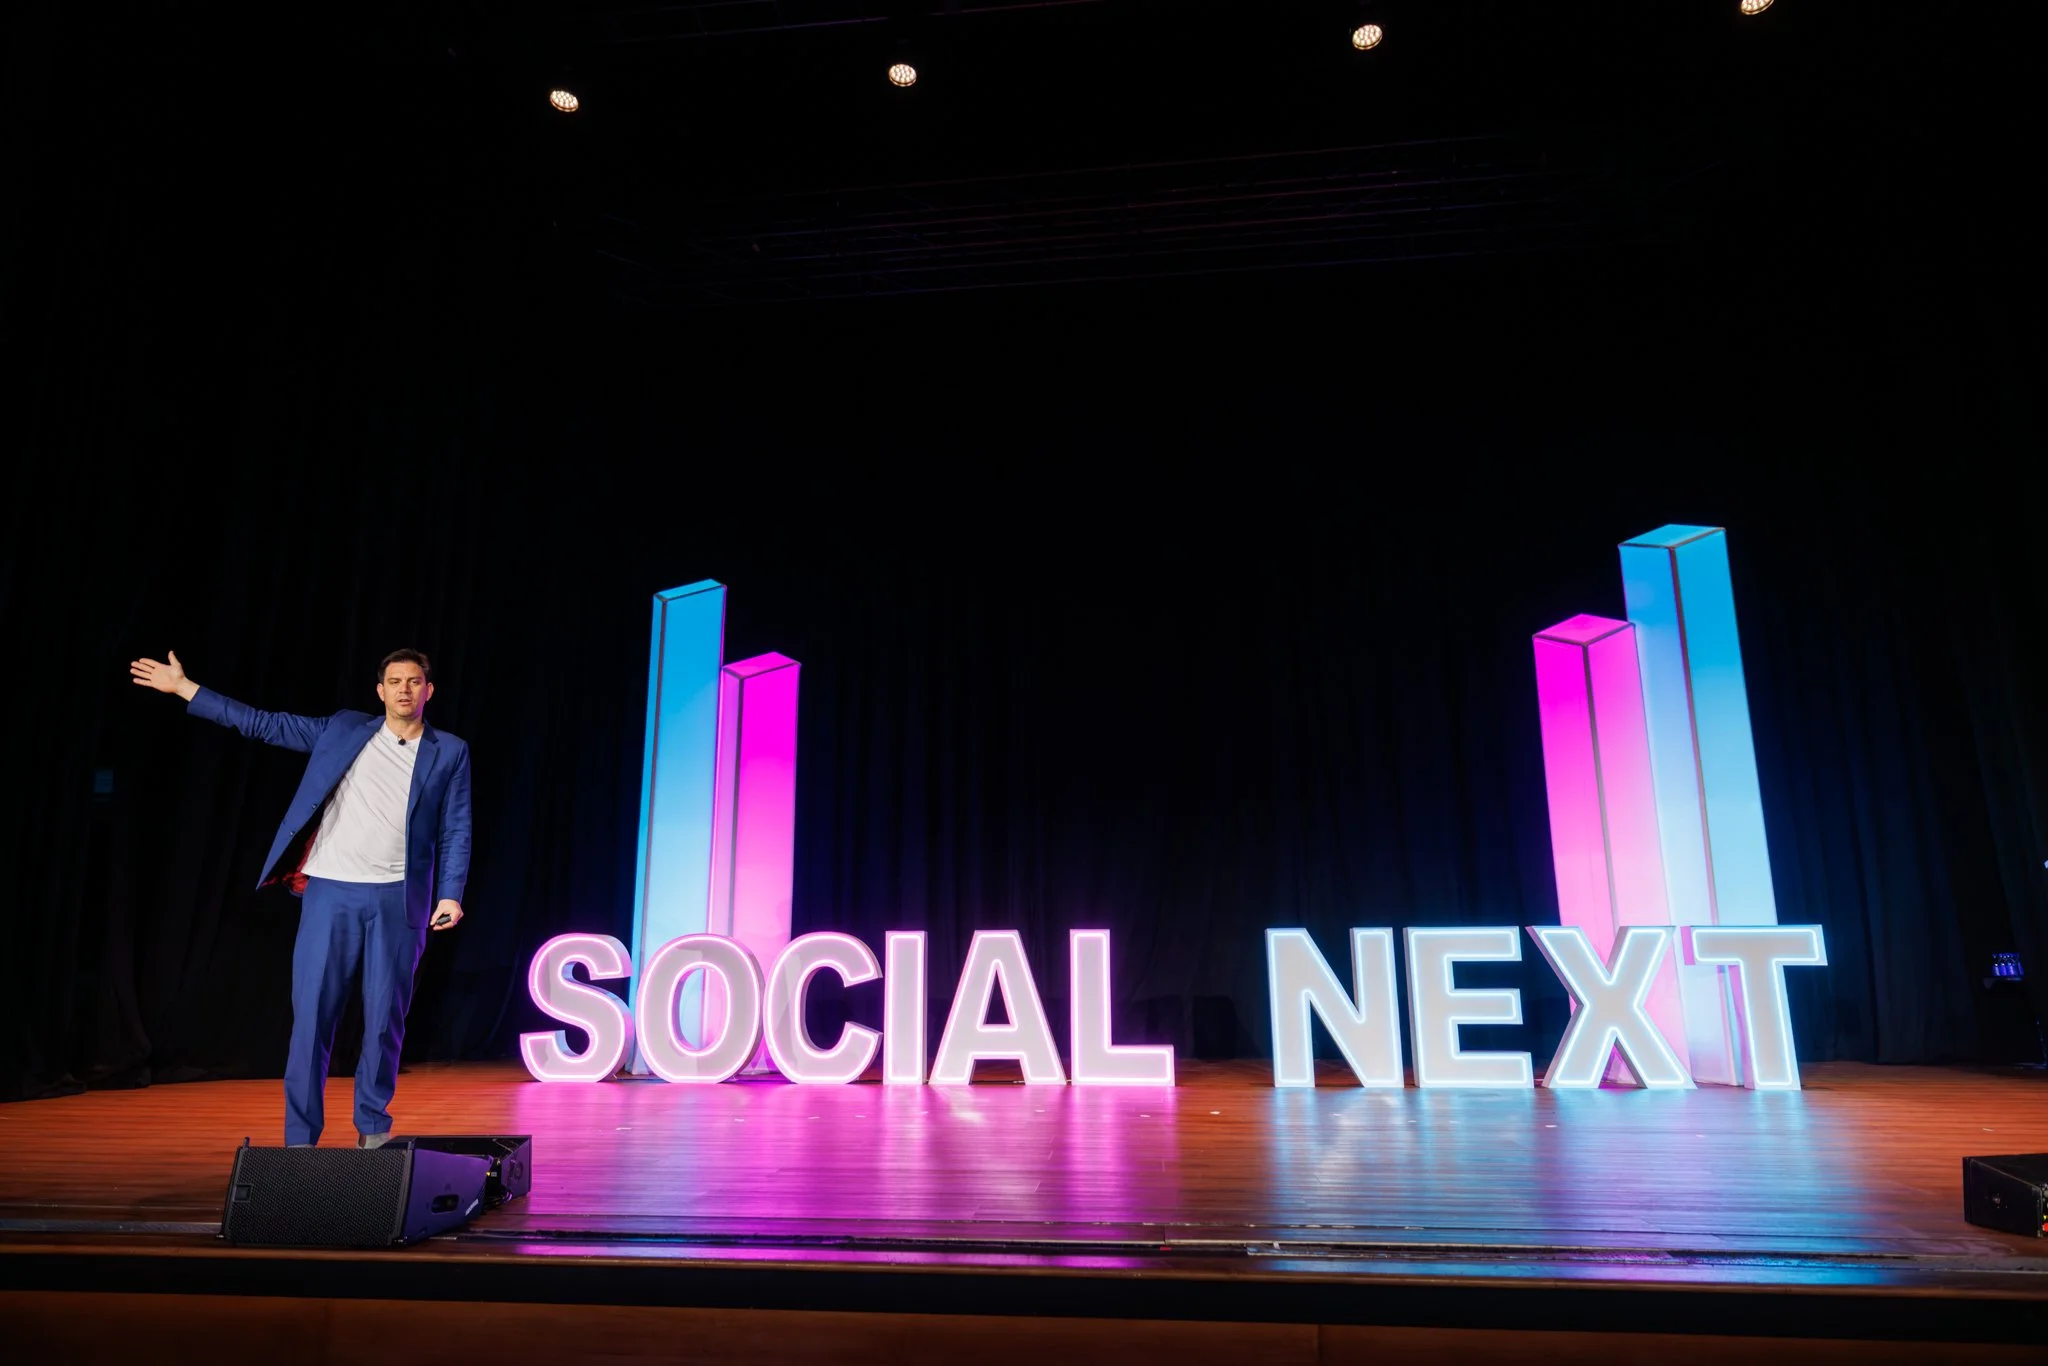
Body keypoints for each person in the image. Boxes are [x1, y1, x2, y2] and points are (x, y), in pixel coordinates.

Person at [129, 648, 472, 1148]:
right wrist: (185, 688)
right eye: (395, 681)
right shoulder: (344, 729)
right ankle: (300, 1139)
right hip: (331, 892)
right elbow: (263, 724)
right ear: (380, 691)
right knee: (312, 1019)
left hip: (400, 900)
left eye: (414, 681)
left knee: (384, 1022)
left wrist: (450, 894)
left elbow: (456, 827)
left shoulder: (450, 751)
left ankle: (373, 1128)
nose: (404, 689)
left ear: (428, 690)